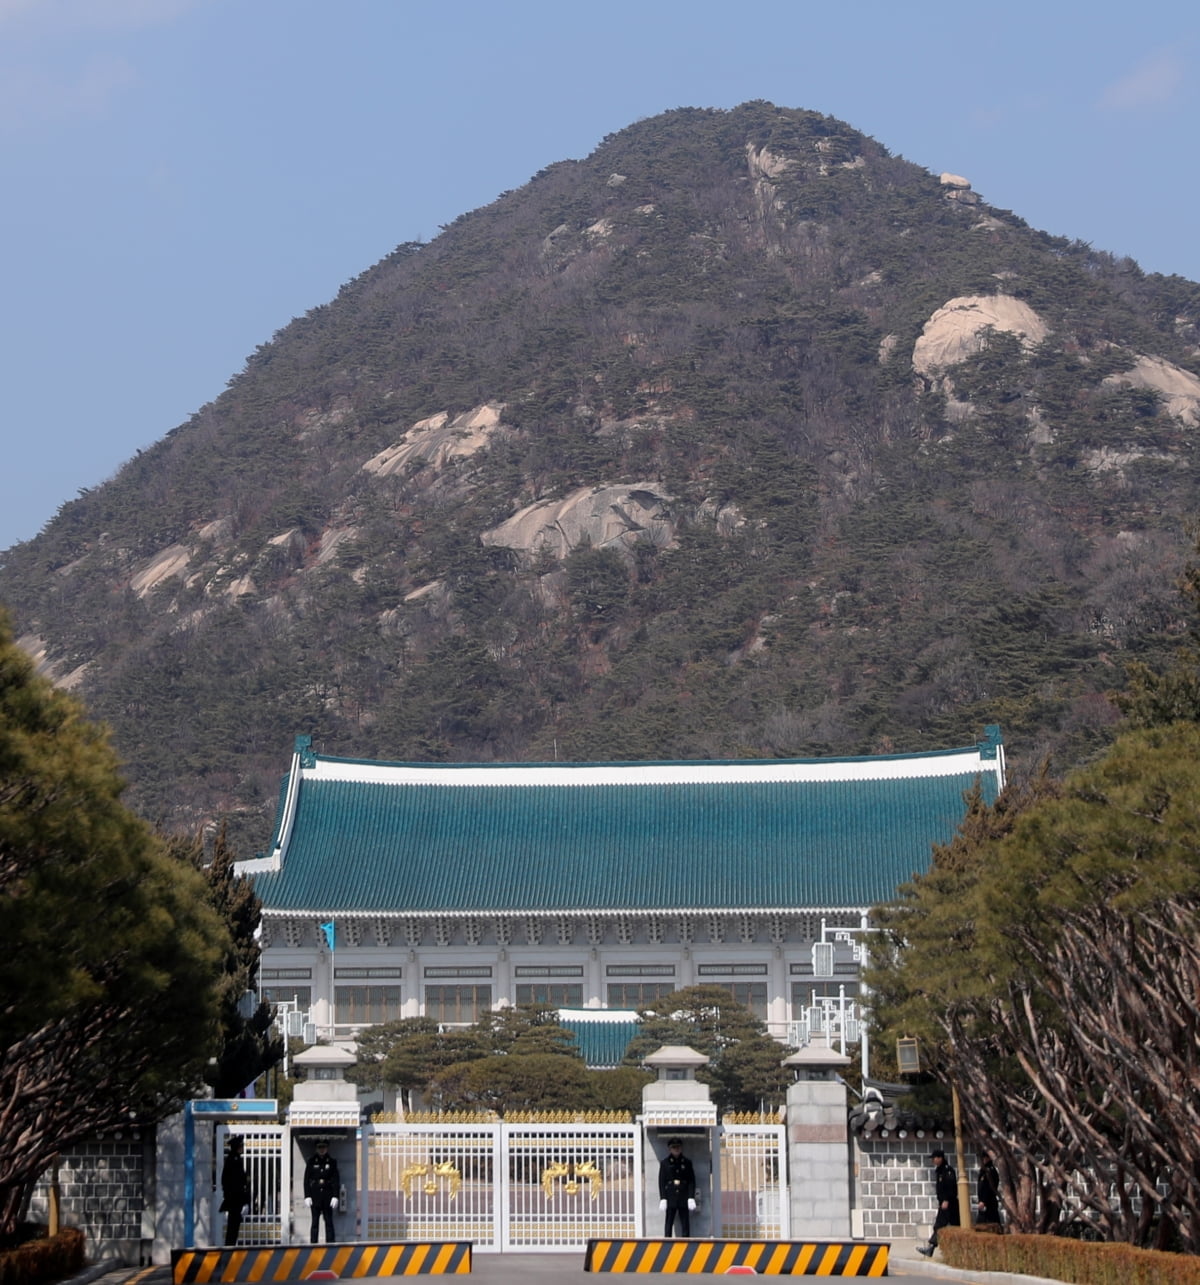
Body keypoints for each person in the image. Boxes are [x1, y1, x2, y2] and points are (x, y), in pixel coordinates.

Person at [916, 1148, 959, 1257]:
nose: (933, 1161)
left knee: (940, 1225)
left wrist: (946, 1200)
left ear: (940, 1158)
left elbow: (951, 1187)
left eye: (934, 1158)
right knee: (955, 1225)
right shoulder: (940, 1171)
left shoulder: (947, 1171)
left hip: (949, 1204)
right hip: (944, 1204)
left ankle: (931, 1248)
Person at [658, 1138, 697, 1238]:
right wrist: (663, 1198)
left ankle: (686, 1243)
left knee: (685, 1223)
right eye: (674, 1147)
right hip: (670, 1197)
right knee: (669, 1222)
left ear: (681, 1148)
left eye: (678, 1147)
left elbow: (691, 1181)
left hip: (683, 1196)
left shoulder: (687, 1163)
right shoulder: (665, 1163)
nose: (676, 1149)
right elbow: (662, 1182)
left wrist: (691, 1197)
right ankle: (667, 1243)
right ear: (669, 1149)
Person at [304, 1139, 341, 1244]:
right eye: (320, 1147)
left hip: (327, 1196)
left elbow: (335, 1180)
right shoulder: (311, 1162)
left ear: (327, 1148)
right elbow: (306, 1180)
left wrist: (335, 1196)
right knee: (315, 1222)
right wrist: (307, 1196)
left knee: (329, 1222)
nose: (322, 1150)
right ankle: (313, 1244)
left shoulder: (332, 1162)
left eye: (323, 1147)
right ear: (316, 1148)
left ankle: (330, 1244)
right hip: (315, 1195)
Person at [219, 1136, 250, 1246]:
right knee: (233, 1228)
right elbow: (236, 1183)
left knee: (233, 1227)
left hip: (234, 1200)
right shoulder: (234, 1160)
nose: (242, 1148)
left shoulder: (234, 1159)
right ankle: (229, 1250)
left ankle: (230, 1248)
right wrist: (243, 1201)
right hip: (234, 1200)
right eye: (241, 1146)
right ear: (237, 1147)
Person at [976, 1151, 1001, 1225]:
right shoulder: (984, 1170)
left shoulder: (990, 1171)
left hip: (989, 1202)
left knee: (992, 1223)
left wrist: (983, 1200)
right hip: (984, 1203)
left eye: (984, 1158)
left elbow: (990, 1188)